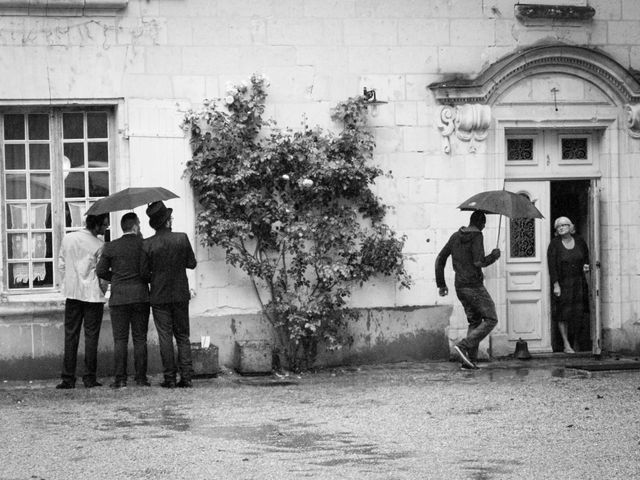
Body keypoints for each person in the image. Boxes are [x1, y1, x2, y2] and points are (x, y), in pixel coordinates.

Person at [435, 211, 501, 369]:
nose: (483, 228)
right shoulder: (477, 236)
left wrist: (441, 284)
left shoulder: (455, 236)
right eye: (483, 225)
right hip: (473, 286)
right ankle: (464, 345)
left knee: (475, 321)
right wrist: (493, 256)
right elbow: (479, 262)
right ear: (482, 224)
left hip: (460, 286)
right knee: (491, 319)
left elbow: (440, 259)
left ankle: (469, 361)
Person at [142, 201, 197, 388]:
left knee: (165, 337)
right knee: (182, 336)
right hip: (180, 294)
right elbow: (192, 263)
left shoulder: (147, 244)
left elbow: (143, 273)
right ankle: (187, 377)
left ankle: (170, 378)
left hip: (159, 295)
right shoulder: (181, 238)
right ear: (167, 221)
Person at [96, 212, 151, 388]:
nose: (140, 227)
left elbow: (100, 271)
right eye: (139, 224)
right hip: (140, 296)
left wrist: (116, 277)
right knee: (140, 339)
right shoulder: (144, 244)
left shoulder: (111, 246)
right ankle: (141, 378)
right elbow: (147, 270)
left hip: (119, 297)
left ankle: (120, 379)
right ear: (134, 226)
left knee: (120, 339)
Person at [56, 213, 110, 389]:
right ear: (96, 226)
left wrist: (70, 282)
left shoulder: (68, 238)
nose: (105, 229)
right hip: (92, 295)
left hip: (72, 293)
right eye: (104, 225)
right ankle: (89, 377)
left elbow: (61, 265)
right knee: (91, 336)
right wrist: (102, 291)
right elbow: (102, 273)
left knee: (70, 336)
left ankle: (68, 377)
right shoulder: (100, 245)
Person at [547, 216, 590, 354]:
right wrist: (556, 285)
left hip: (578, 282)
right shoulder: (554, 244)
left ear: (570, 227)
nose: (561, 228)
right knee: (563, 314)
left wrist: (586, 266)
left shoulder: (579, 241)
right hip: (563, 283)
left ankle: (576, 341)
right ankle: (566, 344)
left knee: (578, 313)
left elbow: (586, 257)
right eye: (558, 226)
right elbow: (552, 267)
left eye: (564, 225)